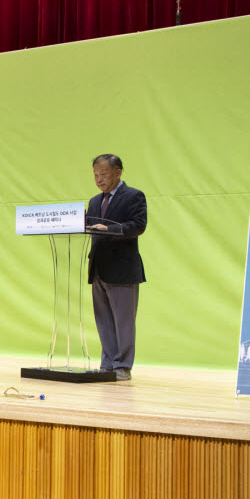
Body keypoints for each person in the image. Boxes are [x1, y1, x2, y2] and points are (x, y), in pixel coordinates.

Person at [86, 154, 147, 381]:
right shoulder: (94, 201)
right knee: (103, 320)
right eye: (95, 175)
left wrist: (111, 229)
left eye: (103, 174)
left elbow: (138, 225)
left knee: (123, 320)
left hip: (122, 269)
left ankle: (123, 366)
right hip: (98, 268)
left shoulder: (133, 196)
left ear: (118, 172)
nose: (98, 180)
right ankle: (108, 364)